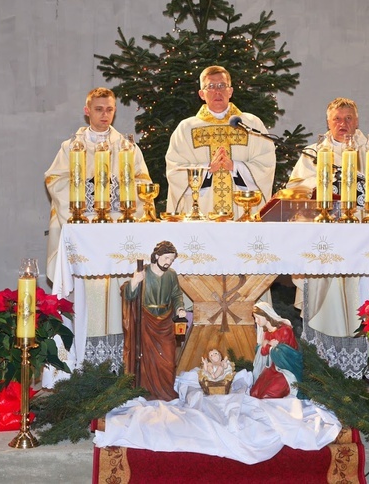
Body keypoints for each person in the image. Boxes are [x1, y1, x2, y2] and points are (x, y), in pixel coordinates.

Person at [286, 97, 369, 339]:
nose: (343, 123)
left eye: (348, 118)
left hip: (362, 235)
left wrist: (361, 182)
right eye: (337, 119)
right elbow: (296, 187)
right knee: (323, 291)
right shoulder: (314, 154)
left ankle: (366, 341)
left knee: (361, 291)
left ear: (357, 121)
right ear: (328, 122)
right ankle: (320, 348)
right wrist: (323, 185)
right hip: (324, 234)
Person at [44, 87, 152, 338]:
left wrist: (117, 193)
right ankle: (81, 339)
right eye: (99, 109)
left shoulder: (127, 147)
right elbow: (54, 180)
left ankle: (120, 339)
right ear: (87, 111)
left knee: (118, 286)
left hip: (117, 224)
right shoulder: (71, 147)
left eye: (110, 109)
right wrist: (88, 193)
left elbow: (143, 182)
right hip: (84, 225)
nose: (105, 115)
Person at [165, 65, 276, 218]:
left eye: (222, 86)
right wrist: (207, 169)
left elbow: (266, 164)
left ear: (230, 91)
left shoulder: (251, 124)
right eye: (210, 86)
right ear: (201, 94)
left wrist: (236, 167)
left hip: (242, 213)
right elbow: (175, 171)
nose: (217, 91)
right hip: (202, 211)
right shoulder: (186, 129)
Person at [122, 241, 187, 401]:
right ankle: (147, 391)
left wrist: (179, 308)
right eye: (166, 258)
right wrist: (134, 282)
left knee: (168, 360)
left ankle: (165, 391)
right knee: (146, 360)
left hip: (165, 321)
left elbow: (176, 295)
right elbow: (129, 296)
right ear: (157, 256)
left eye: (171, 260)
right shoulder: (143, 272)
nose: (168, 262)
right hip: (146, 320)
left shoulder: (171, 275)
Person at [250, 302, 303, 399]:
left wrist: (267, 346)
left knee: (268, 395)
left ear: (266, 315)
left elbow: (284, 353)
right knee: (255, 393)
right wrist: (269, 346)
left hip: (286, 370)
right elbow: (262, 351)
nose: (256, 321)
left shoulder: (285, 330)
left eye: (257, 317)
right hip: (272, 368)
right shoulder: (266, 332)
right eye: (255, 318)